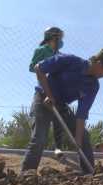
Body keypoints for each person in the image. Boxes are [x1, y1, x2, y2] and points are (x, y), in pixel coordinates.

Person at [22, 49, 103, 174]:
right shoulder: (70, 61)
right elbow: (38, 68)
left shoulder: (93, 85)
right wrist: (49, 94)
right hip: (43, 98)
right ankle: (26, 176)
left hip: (61, 105)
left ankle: (89, 175)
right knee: (40, 137)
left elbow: (82, 114)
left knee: (83, 137)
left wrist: (77, 140)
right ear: (99, 64)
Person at [29, 27, 65, 158]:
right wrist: (45, 69)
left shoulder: (60, 55)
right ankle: (35, 152)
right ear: (53, 37)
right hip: (44, 89)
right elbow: (32, 66)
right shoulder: (41, 50)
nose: (61, 40)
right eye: (60, 37)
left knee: (59, 122)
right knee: (40, 125)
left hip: (57, 91)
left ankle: (58, 148)